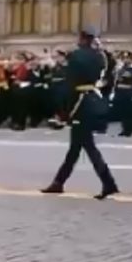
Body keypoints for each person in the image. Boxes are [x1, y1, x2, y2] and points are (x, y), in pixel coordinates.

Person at [40, 26, 119, 200]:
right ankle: (58, 182)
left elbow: (69, 84)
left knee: (88, 147)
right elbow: (110, 78)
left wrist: (63, 111)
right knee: (76, 147)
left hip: (79, 103)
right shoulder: (101, 56)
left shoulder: (76, 56)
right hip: (94, 99)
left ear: (82, 38)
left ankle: (108, 183)